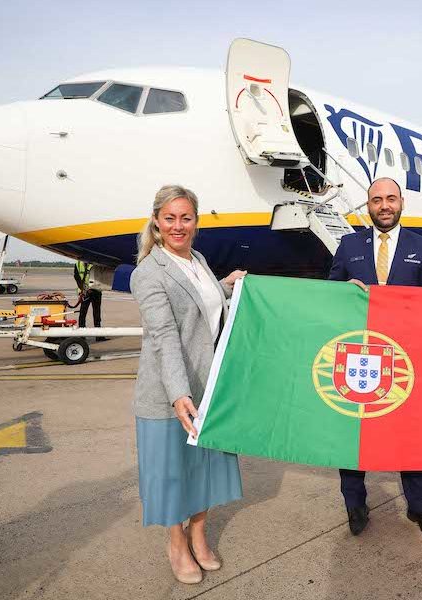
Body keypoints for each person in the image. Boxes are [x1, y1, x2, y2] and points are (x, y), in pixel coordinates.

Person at [130, 185, 246, 584]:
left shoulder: (198, 260)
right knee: (172, 473)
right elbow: (165, 336)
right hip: (169, 392)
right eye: (170, 218)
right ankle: (176, 543)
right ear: (156, 222)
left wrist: (227, 285)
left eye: (186, 218)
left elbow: (201, 301)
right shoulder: (148, 273)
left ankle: (198, 533)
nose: (178, 226)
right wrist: (179, 394)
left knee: (203, 468)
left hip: (209, 386)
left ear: (196, 222)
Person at [328, 177, 422, 538]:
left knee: (411, 434)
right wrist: (341, 291)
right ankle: (355, 505)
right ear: (368, 205)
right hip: (360, 357)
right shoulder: (349, 245)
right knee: (352, 434)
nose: (384, 206)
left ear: (401, 202)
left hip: (405, 358)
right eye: (377, 200)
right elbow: (328, 294)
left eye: (391, 199)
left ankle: (419, 507)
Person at [74, 260, 107, 341]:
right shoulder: (78, 264)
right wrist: (84, 290)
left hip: (96, 290)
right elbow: (77, 277)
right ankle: (82, 334)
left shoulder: (95, 263)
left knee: (96, 314)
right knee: (83, 313)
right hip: (85, 292)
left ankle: (98, 335)